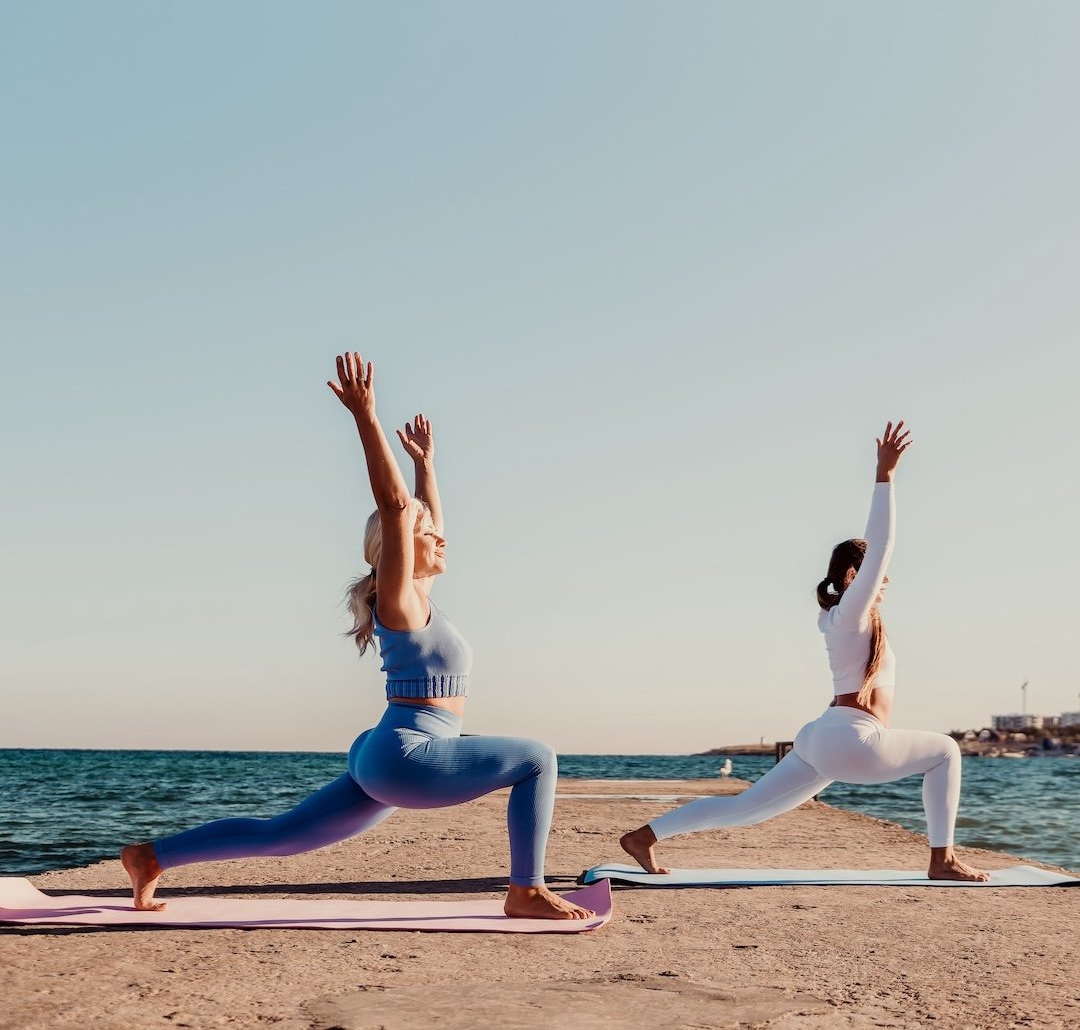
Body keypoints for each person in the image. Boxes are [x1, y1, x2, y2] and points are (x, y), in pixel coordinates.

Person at [121, 350, 592, 920]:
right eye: (428, 536)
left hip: (387, 748)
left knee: (285, 834)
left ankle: (151, 857)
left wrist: (428, 466)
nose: (442, 541)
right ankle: (526, 889)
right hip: (408, 753)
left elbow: (421, 520)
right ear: (398, 546)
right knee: (538, 758)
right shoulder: (400, 597)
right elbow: (397, 510)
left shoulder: (417, 594)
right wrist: (366, 418)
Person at [620, 421, 989, 883]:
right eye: (876, 575)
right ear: (853, 576)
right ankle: (942, 859)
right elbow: (883, 549)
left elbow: (876, 564)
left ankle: (643, 837)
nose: (887, 581)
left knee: (746, 809)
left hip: (821, 737)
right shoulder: (851, 613)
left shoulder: (838, 619)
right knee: (947, 751)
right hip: (851, 739)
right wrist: (885, 476)